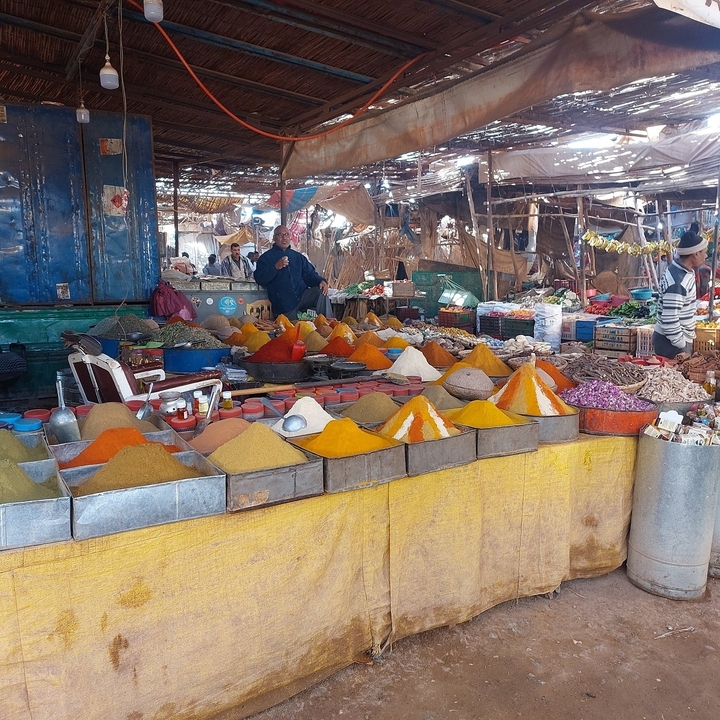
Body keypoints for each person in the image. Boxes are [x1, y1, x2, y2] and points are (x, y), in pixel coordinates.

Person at [653, 229, 708, 359]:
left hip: (673, 340)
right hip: (670, 343)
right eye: (704, 253)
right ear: (695, 254)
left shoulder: (683, 271)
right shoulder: (678, 281)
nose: (705, 256)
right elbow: (669, 318)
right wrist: (681, 343)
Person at [254, 225, 330, 319]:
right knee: (291, 330)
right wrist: (275, 267)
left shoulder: (298, 257)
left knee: (322, 291)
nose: (284, 238)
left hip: (302, 296)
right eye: (280, 235)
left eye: (286, 234)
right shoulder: (265, 258)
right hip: (284, 303)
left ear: (290, 237)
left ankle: (327, 323)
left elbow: (310, 275)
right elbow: (260, 279)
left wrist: (321, 280)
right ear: (274, 238)